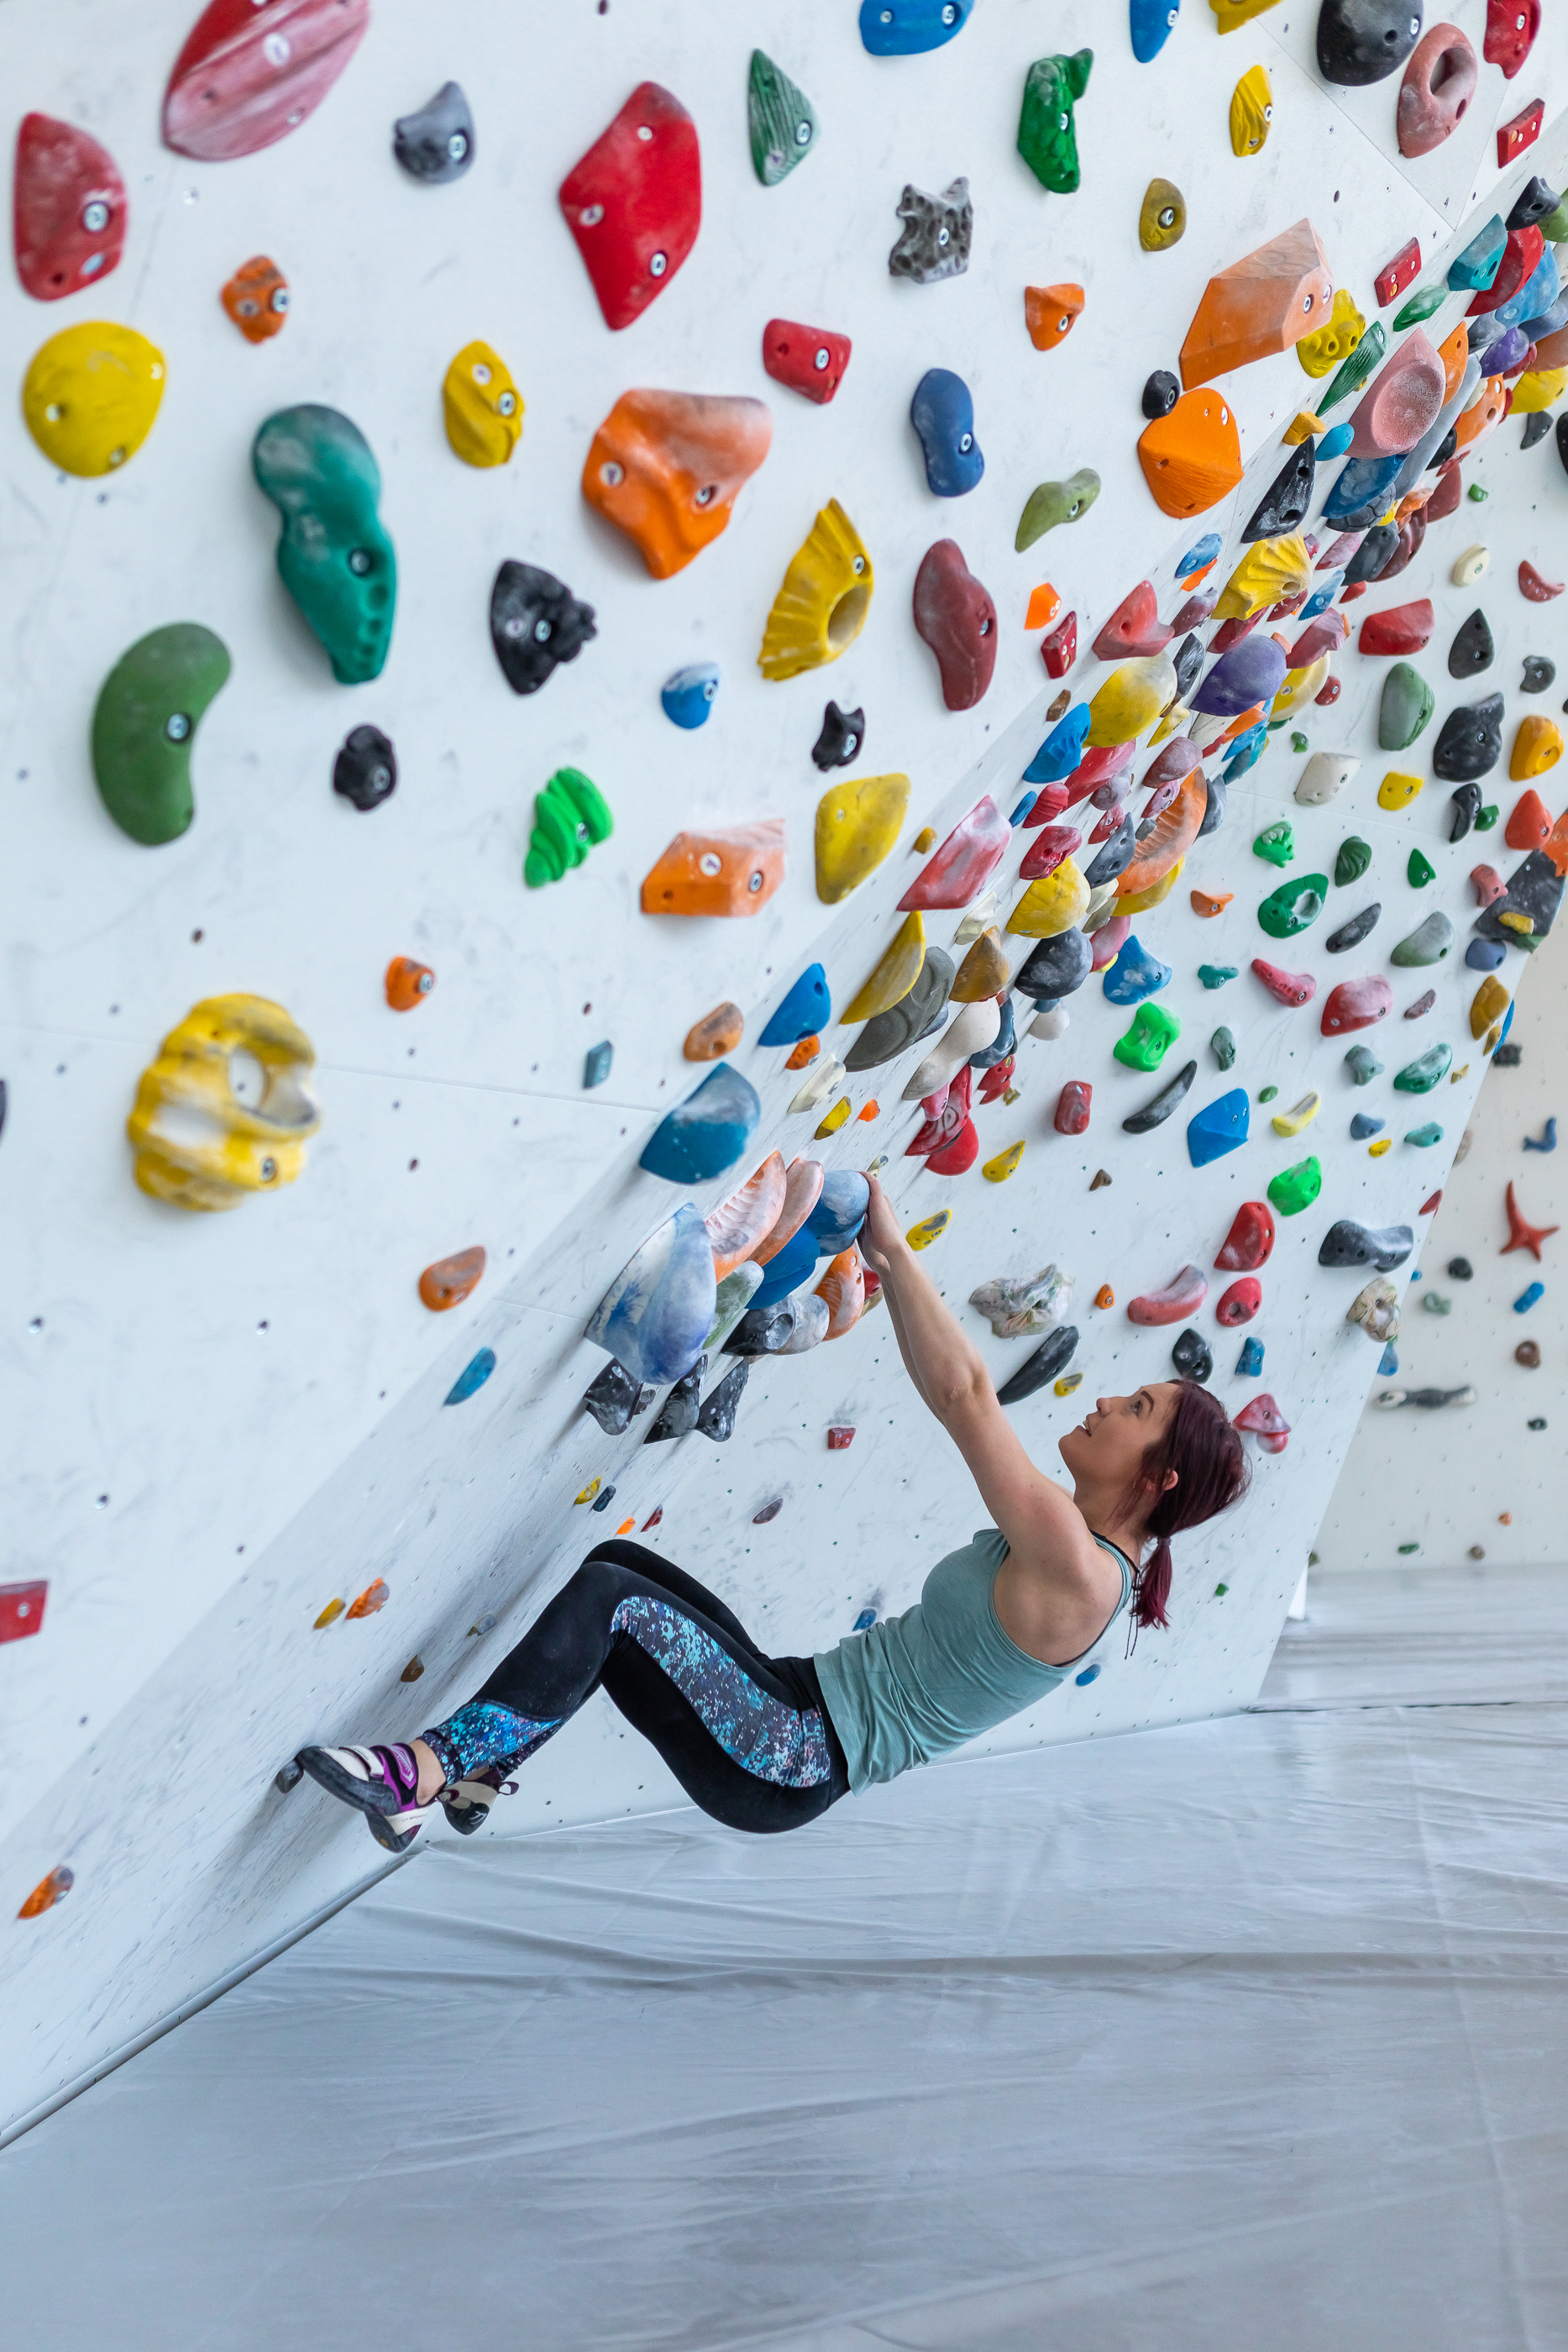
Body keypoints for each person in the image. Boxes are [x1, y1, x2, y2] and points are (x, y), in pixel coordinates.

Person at [295, 1176, 1248, 1851]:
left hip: (790, 1755)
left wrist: (892, 1245)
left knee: (616, 1605)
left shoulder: (1079, 1570)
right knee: (617, 1568)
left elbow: (965, 1397)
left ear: (1158, 1477)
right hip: (792, 1708)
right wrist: (878, 1261)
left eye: (1135, 1410)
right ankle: (478, 1774)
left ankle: (419, 1774)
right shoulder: (1077, 1554)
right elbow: (949, 1392)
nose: (1106, 1402)